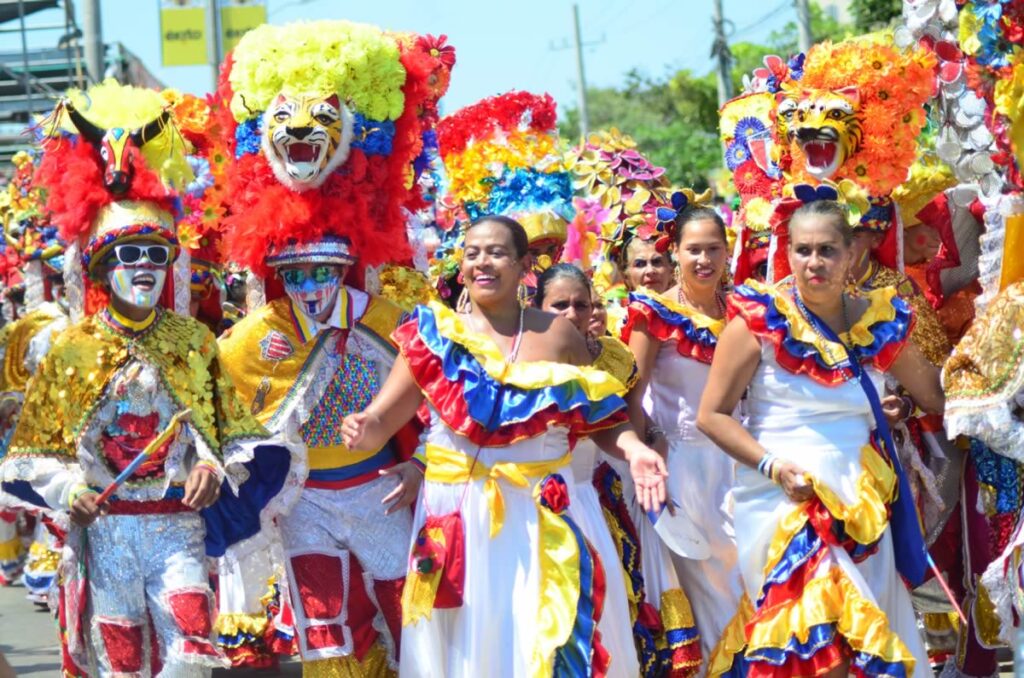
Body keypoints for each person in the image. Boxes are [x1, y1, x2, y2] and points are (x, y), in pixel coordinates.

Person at [0, 81, 297, 677]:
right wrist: (67, 493)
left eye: (155, 255)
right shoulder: (74, 347)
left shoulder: (190, 341)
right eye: (127, 255)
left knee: (191, 652)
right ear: (102, 268)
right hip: (106, 533)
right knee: (123, 659)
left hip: (174, 528)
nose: (142, 268)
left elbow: (231, 433)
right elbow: (33, 453)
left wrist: (213, 468)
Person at [342, 216, 669, 677]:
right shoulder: (433, 336)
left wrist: (636, 450)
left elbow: (601, 418)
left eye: (495, 252)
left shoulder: (557, 334)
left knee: (546, 634)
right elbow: (383, 418)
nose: (482, 262)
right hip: (462, 514)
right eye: (472, 253)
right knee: (470, 644)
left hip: (543, 511)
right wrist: (363, 427)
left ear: (523, 265)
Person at [697, 199, 944, 677]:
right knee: (810, 644)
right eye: (803, 250)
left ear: (851, 254)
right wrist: (773, 467)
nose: (815, 263)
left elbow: (934, 393)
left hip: (860, 503)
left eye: (827, 250)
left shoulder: (879, 319)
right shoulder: (758, 319)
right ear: (787, 254)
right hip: (785, 501)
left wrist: (998, 358)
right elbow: (712, 415)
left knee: (856, 645)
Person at [535, 263, 702, 676]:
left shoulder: (611, 357)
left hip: (602, 496)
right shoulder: (520, 359)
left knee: (609, 609)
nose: (572, 314)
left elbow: (623, 425)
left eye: (581, 304)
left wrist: (651, 445)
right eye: (560, 305)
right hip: (537, 504)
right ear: (536, 307)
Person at [622, 206, 745, 666]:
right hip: (685, 469)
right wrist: (648, 459)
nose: (704, 259)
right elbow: (631, 400)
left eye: (714, 248)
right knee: (714, 591)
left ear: (728, 251)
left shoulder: (747, 310)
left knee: (755, 580)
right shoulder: (652, 314)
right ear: (674, 253)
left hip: (745, 464)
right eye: (694, 249)